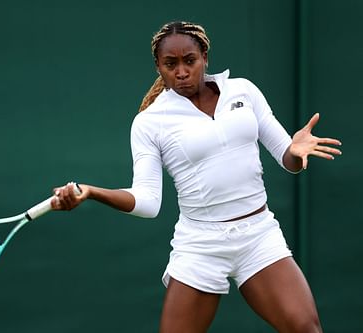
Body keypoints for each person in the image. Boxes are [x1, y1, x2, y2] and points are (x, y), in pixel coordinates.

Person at [51, 21, 342, 333]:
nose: (181, 72)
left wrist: (295, 153)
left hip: (259, 235)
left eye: (189, 61)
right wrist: (93, 192)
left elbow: (288, 160)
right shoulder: (150, 123)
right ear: (158, 67)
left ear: (204, 56)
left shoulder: (243, 91)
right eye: (170, 64)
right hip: (201, 245)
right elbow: (148, 202)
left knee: (306, 329)